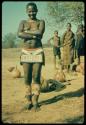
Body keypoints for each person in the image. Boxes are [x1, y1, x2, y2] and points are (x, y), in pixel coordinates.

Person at [17, 2, 45, 111]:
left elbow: (40, 32)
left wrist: (26, 31)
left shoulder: (41, 22)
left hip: (37, 51)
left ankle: (35, 101)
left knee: (36, 76)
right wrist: (34, 34)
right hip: (26, 51)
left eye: (33, 11)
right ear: (26, 12)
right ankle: (28, 100)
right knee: (27, 76)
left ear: (37, 10)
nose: (31, 13)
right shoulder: (22, 22)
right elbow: (19, 34)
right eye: (29, 11)